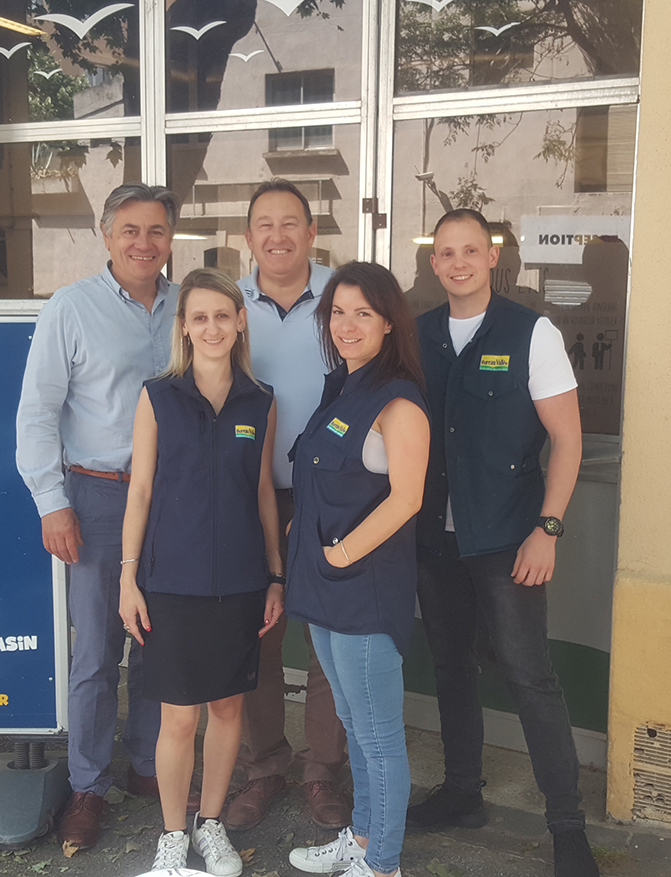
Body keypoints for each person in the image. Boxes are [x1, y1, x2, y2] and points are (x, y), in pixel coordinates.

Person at [405, 209, 598, 877]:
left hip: (509, 538)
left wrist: (547, 529)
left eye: (471, 250)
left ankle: (567, 827)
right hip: (436, 540)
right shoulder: (418, 334)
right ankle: (463, 792)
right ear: (435, 263)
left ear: (493, 258)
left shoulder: (529, 331)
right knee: (452, 666)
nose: (458, 262)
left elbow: (567, 440)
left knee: (529, 676)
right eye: (446, 252)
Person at [15, 183, 177, 850]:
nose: (145, 243)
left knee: (158, 640)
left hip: (175, 500)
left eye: (157, 231)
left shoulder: (187, 305)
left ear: (172, 239)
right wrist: (52, 501)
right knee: (96, 652)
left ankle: (146, 764)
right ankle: (88, 782)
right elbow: (36, 411)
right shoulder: (71, 308)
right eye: (131, 230)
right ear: (107, 236)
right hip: (99, 496)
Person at [119, 269, 285, 876]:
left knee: (226, 710)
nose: (211, 327)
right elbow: (139, 491)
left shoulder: (260, 400)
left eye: (222, 315)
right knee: (178, 716)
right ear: (183, 328)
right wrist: (128, 577)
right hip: (169, 581)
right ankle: (171, 835)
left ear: (240, 321)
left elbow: (263, 491)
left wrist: (274, 575)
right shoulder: (158, 396)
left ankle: (211, 824)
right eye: (199, 317)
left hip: (240, 583)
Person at [285, 262, 429, 877]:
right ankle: (363, 839)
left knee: (377, 738)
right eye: (337, 312)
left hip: (364, 590)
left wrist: (341, 554)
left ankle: (383, 864)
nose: (347, 325)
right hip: (324, 588)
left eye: (362, 313)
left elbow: (407, 497)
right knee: (351, 721)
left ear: (390, 322)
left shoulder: (398, 402)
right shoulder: (343, 387)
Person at [230, 178, 350, 831]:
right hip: (247, 496)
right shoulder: (226, 303)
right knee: (260, 636)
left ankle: (322, 769)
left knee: (327, 637)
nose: (277, 235)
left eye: (290, 223)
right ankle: (264, 764)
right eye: (263, 225)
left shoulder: (343, 297)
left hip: (330, 493)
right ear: (247, 238)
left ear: (311, 231)